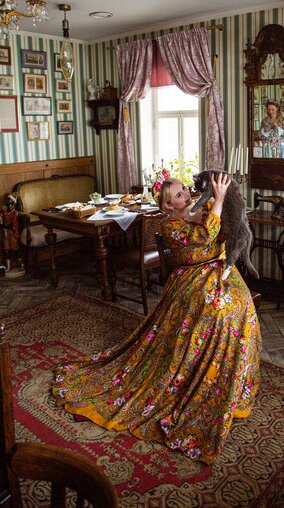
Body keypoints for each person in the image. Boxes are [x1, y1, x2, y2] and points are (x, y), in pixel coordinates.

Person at [52, 170, 262, 463]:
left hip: (221, 272)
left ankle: (233, 382)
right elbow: (205, 235)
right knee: (219, 314)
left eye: (186, 190)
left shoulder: (200, 209)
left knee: (242, 309)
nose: (187, 195)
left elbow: (225, 229)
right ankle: (197, 375)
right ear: (168, 206)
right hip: (192, 280)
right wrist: (219, 201)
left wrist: (223, 200)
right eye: (179, 195)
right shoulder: (170, 225)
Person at [0, 194, 24, 275]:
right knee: (6, 251)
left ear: (13, 204)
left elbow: (12, 225)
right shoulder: (4, 213)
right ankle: (8, 267)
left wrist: (3, 225)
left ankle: (21, 264)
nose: (9, 206)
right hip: (6, 235)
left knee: (16, 250)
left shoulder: (15, 213)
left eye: (10, 204)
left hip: (12, 234)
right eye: (7, 204)